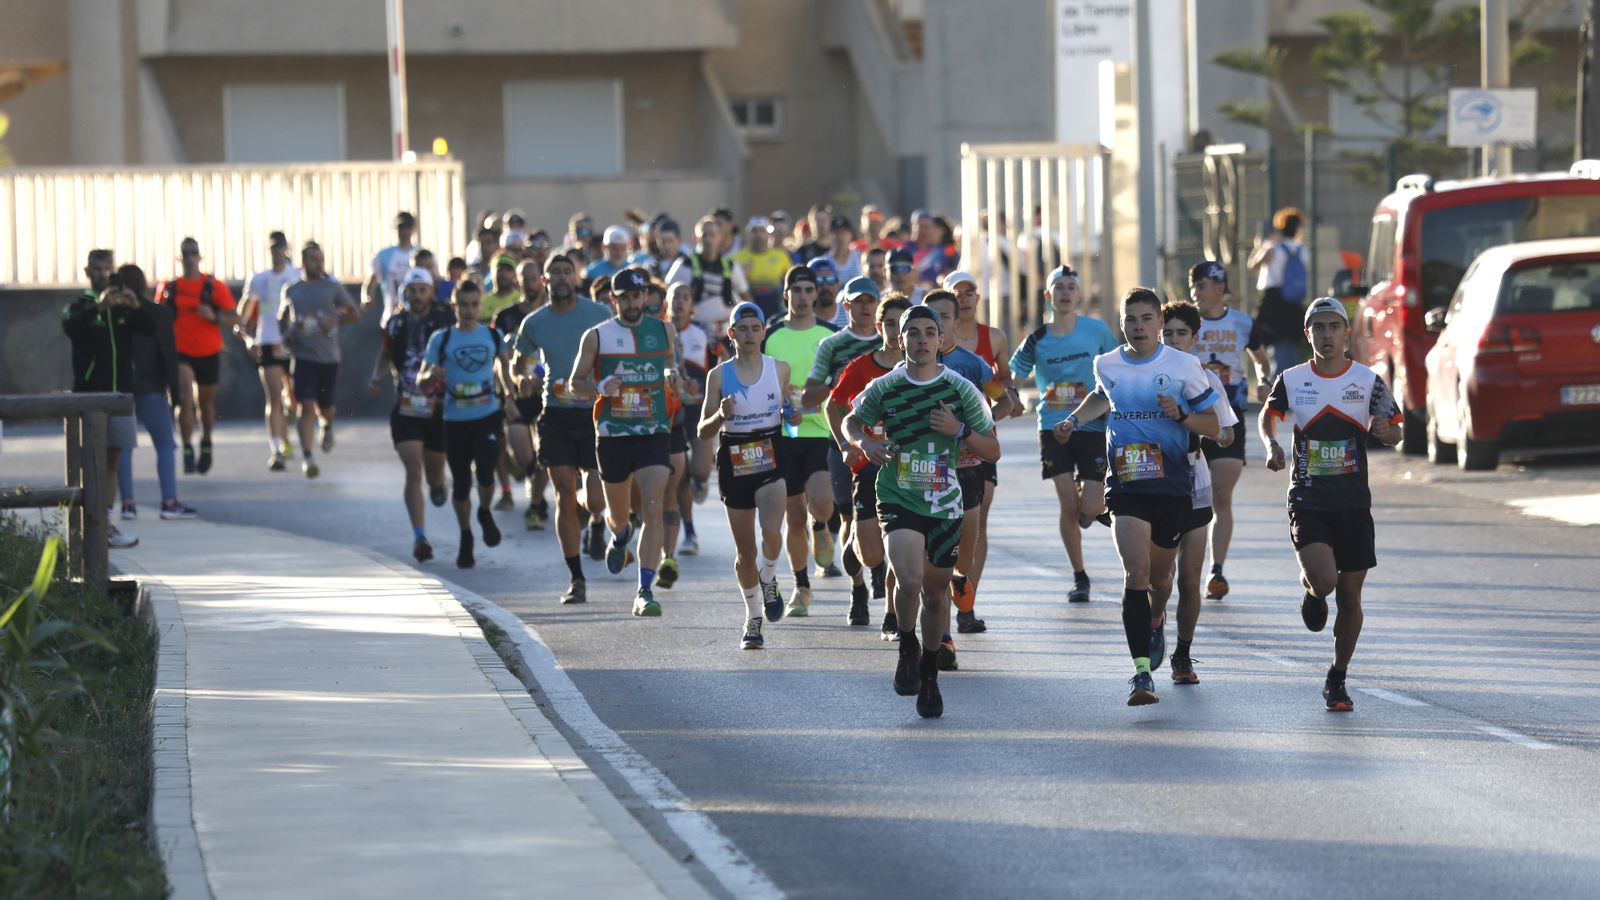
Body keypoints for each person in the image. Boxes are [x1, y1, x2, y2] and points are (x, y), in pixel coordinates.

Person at [1053, 287, 1221, 706]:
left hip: (1172, 486)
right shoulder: (1107, 364)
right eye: (1131, 320)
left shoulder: (1184, 366)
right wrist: (1074, 420)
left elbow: (1214, 425)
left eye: (1147, 319)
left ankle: (1156, 616)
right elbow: (1100, 397)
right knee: (1137, 572)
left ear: (1159, 324)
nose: (1139, 327)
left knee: (1161, 581)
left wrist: (1181, 416)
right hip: (1127, 484)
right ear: (1122, 323)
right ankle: (1141, 675)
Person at [845, 304, 1000, 719]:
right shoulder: (885, 387)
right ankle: (907, 644)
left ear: (940, 340)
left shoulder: (961, 390)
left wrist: (960, 431)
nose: (921, 340)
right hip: (898, 494)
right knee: (910, 579)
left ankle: (929, 673)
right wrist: (864, 443)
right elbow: (851, 421)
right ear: (901, 340)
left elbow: (992, 449)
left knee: (935, 593)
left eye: (929, 332)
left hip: (944, 502)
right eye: (912, 333)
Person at [1259, 297, 1402, 712]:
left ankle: (1337, 677)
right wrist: (1271, 444)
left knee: (1352, 596)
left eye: (1333, 327)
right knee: (1327, 582)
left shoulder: (1368, 380)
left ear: (1345, 333)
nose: (1326, 334)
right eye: (1318, 327)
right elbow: (1269, 415)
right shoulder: (1292, 378)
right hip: (1308, 497)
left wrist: (1385, 433)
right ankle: (1312, 590)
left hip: (1353, 501)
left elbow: (1394, 430)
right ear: (1308, 335)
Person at [568, 267, 682, 617]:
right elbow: (576, 383)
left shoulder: (663, 330)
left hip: (652, 432)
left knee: (652, 506)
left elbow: (669, 366)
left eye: (638, 295)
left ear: (646, 296)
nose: (633, 303)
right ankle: (619, 536)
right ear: (613, 299)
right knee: (617, 515)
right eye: (625, 297)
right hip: (613, 435)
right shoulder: (597, 336)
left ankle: (644, 590)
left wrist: (672, 375)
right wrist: (599, 388)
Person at [1009, 266, 1120, 603]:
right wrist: (1011, 398)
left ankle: (1089, 513)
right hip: (1052, 426)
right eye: (1059, 288)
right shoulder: (1038, 338)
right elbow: (1013, 374)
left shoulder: (1097, 330)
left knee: (1092, 505)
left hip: (1092, 424)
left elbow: (1117, 365)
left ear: (1079, 294)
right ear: (1048, 296)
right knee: (1067, 502)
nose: (1066, 293)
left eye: (1072, 287)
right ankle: (1079, 576)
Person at [698, 302, 802, 649]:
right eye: (742, 329)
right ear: (732, 334)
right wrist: (720, 416)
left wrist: (794, 414)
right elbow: (702, 430)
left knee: (772, 531)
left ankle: (769, 577)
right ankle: (753, 618)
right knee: (745, 553)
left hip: (771, 454)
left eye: (755, 328)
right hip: (734, 456)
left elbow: (792, 417)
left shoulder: (780, 369)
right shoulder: (718, 375)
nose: (750, 335)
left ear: (763, 332)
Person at [515, 253, 613, 604]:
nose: (560, 277)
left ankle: (598, 521)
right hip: (555, 414)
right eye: (553, 272)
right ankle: (576, 579)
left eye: (566, 272)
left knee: (595, 495)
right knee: (563, 497)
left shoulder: (599, 315)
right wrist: (522, 378)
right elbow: (518, 362)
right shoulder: (534, 323)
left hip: (593, 414)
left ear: (576, 279)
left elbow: (616, 353)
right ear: (543, 281)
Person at [922, 290, 1013, 655]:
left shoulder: (973, 364)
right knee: (937, 556)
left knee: (963, 555)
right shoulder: (909, 367)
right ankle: (943, 639)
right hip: (929, 470)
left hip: (970, 466)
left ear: (955, 322)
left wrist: (977, 428)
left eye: (944, 317)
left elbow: (1004, 400)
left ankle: (963, 581)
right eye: (930, 319)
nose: (937, 325)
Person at [1152, 301, 1239, 684]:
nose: (1173, 340)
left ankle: (1183, 654)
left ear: (1194, 338)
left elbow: (1228, 432)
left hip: (1195, 484)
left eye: (1180, 333)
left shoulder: (1205, 378)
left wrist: (1214, 432)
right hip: (1153, 485)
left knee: (1189, 578)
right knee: (1161, 578)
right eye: (1167, 333)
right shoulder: (1144, 376)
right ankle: (1155, 622)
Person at [827, 292, 911, 638]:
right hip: (867, 465)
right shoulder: (861, 367)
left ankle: (892, 614)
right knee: (873, 554)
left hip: (907, 470)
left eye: (901, 324)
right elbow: (833, 407)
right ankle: (859, 571)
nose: (896, 331)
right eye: (889, 323)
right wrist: (847, 445)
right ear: (879, 327)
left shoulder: (920, 369)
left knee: (899, 548)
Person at [1188, 260, 1272, 601]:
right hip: (1189, 418)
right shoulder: (1182, 322)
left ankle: (1216, 569)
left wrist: (1264, 381)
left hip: (1229, 418)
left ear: (1220, 288)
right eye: (1192, 286)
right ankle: (1184, 565)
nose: (1195, 293)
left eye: (1201, 286)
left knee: (1221, 496)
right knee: (1192, 499)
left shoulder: (1242, 323)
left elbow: (1260, 359)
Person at [803, 275, 884, 624]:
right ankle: (858, 588)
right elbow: (810, 396)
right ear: (845, 305)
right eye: (858, 301)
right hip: (844, 443)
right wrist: (839, 381)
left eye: (870, 301)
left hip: (884, 442)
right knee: (851, 519)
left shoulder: (891, 343)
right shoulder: (832, 345)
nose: (865, 307)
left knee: (888, 517)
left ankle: (881, 567)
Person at [419, 280, 517, 569]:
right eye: (464, 305)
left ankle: (484, 511)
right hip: (455, 419)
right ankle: (465, 535)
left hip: (487, 415)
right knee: (461, 485)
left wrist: (510, 398)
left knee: (486, 473)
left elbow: (503, 367)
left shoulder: (492, 334)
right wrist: (431, 375)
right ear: (455, 307)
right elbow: (421, 379)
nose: (470, 310)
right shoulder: (442, 339)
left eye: (474, 304)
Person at [761, 266, 838, 617]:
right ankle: (801, 586)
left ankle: (821, 525)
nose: (804, 296)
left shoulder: (830, 335)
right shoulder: (772, 335)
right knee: (793, 517)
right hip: (783, 434)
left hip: (820, 430)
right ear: (786, 294)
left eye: (810, 290)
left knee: (820, 502)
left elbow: (841, 380)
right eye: (798, 290)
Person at [64, 249, 148, 548]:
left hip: (121, 395)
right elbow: (70, 328)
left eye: (108, 269)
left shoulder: (122, 307)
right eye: (97, 270)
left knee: (113, 457)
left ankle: (107, 522)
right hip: (90, 395)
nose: (103, 275)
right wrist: (98, 308)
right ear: (88, 273)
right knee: (92, 459)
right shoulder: (81, 306)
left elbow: (152, 328)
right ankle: (89, 525)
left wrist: (136, 305)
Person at [373, 267, 455, 562]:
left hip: (438, 406)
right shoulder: (395, 323)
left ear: (431, 292)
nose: (418, 296)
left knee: (433, 473)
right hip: (406, 405)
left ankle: (438, 484)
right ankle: (420, 535)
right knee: (413, 469)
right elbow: (385, 354)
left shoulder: (446, 320)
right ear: (404, 293)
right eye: (412, 290)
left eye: (423, 290)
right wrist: (375, 376)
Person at [115, 263, 198, 521]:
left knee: (124, 448)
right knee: (164, 445)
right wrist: (175, 390)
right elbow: (168, 353)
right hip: (152, 386)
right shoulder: (158, 313)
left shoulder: (114, 313)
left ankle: (128, 503)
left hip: (122, 388)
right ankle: (169, 500)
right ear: (142, 283)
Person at [157, 237, 240, 476]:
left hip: (208, 351)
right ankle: (185, 447)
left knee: (205, 402)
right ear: (179, 257)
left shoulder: (213, 286)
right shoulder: (170, 287)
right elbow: (157, 316)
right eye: (186, 253)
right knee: (184, 397)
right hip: (180, 351)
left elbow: (235, 318)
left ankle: (206, 441)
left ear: (199, 257)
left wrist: (213, 317)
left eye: (194, 253)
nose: (190, 257)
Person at [277, 242, 359, 478]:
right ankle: (308, 457)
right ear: (303, 262)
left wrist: (336, 321)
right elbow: (282, 318)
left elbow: (353, 313)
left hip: (328, 357)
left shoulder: (331, 287)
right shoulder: (291, 289)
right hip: (303, 356)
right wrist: (288, 334)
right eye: (313, 259)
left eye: (321, 259)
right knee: (306, 406)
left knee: (326, 407)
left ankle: (328, 425)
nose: (318, 263)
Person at [238, 231, 301, 470]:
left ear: (287, 249)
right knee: (273, 397)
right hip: (268, 341)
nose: (277, 251)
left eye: (280, 247)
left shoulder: (296, 276)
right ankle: (276, 450)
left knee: (295, 398)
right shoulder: (259, 279)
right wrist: (247, 338)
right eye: (273, 247)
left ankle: (289, 412)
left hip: (292, 342)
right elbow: (243, 313)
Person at [495, 259, 548, 526]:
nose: (529, 283)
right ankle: (532, 479)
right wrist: (507, 394)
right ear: (517, 282)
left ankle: (537, 504)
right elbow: (500, 360)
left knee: (546, 451)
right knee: (525, 456)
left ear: (542, 279)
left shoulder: (553, 314)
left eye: (534, 277)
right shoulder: (505, 317)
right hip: (518, 394)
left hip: (547, 394)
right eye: (524, 278)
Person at [667, 284, 713, 556]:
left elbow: (725, 360)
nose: (679, 302)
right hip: (670, 410)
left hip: (697, 409)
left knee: (700, 471)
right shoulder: (659, 332)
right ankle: (690, 533)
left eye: (685, 297)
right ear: (666, 302)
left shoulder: (702, 333)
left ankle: (701, 480)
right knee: (679, 477)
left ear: (692, 305)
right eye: (675, 297)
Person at [1248, 207, 1309, 375]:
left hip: (1273, 301)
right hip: (1294, 302)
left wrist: (1258, 246)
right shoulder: (1301, 249)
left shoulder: (1272, 246)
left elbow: (1253, 265)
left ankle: (1276, 383)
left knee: (1274, 344)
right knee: (1292, 346)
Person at [667, 215, 751, 337]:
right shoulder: (684, 265)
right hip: (694, 332)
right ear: (696, 238)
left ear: (719, 237)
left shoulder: (732, 266)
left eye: (712, 235)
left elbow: (746, 297)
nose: (708, 239)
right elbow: (667, 293)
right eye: (704, 235)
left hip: (727, 334)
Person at [731, 216, 794, 318]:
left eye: (762, 230)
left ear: (768, 234)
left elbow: (792, 281)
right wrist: (740, 276)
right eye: (754, 231)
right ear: (748, 234)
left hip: (775, 308)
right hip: (748, 309)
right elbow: (729, 288)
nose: (759, 235)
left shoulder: (781, 256)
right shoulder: (737, 258)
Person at [366, 211, 419, 324]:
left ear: (413, 229)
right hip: (392, 315)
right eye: (401, 227)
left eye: (408, 227)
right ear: (395, 229)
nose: (405, 231)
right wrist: (367, 297)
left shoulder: (421, 253)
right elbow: (372, 280)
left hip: (417, 317)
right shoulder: (383, 255)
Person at [584, 226, 633, 293]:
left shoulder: (632, 269)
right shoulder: (592, 272)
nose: (618, 252)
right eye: (614, 248)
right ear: (604, 247)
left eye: (622, 248)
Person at [826, 215, 863, 282]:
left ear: (851, 235)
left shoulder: (861, 258)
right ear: (829, 235)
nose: (840, 237)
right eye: (836, 233)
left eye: (843, 233)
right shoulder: (824, 261)